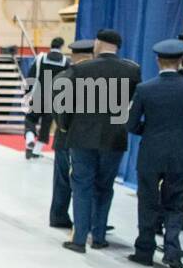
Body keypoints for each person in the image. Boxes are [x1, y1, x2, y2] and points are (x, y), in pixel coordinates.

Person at [56, 28, 142, 253]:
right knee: (105, 187)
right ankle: (99, 236)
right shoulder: (132, 71)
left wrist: (65, 126)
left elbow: (67, 105)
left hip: (82, 136)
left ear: (98, 43)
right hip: (114, 138)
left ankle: (79, 238)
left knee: (82, 186)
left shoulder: (81, 69)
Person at [126, 39, 183, 268]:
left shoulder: (145, 89)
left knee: (148, 203)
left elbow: (131, 124)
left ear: (157, 60)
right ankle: (172, 253)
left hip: (151, 152)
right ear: (182, 60)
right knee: (176, 205)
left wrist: (148, 132)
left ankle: (144, 251)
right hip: (182, 155)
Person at [48, 38, 94, 228]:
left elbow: (56, 109)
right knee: (82, 182)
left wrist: (63, 127)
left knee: (61, 180)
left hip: (63, 135)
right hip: (82, 138)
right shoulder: (93, 80)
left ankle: (58, 215)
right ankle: (83, 220)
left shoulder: (62, 77)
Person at [24, 36, 69, 160]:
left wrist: (27, 93)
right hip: (54, 99)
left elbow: (31, 75)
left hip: (38, 95)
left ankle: (29, 139)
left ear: (51, 45)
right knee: (46, 125)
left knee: (30, 119)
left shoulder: (40, 59)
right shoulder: (66, 62)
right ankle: (36, 152)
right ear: (61, 46)